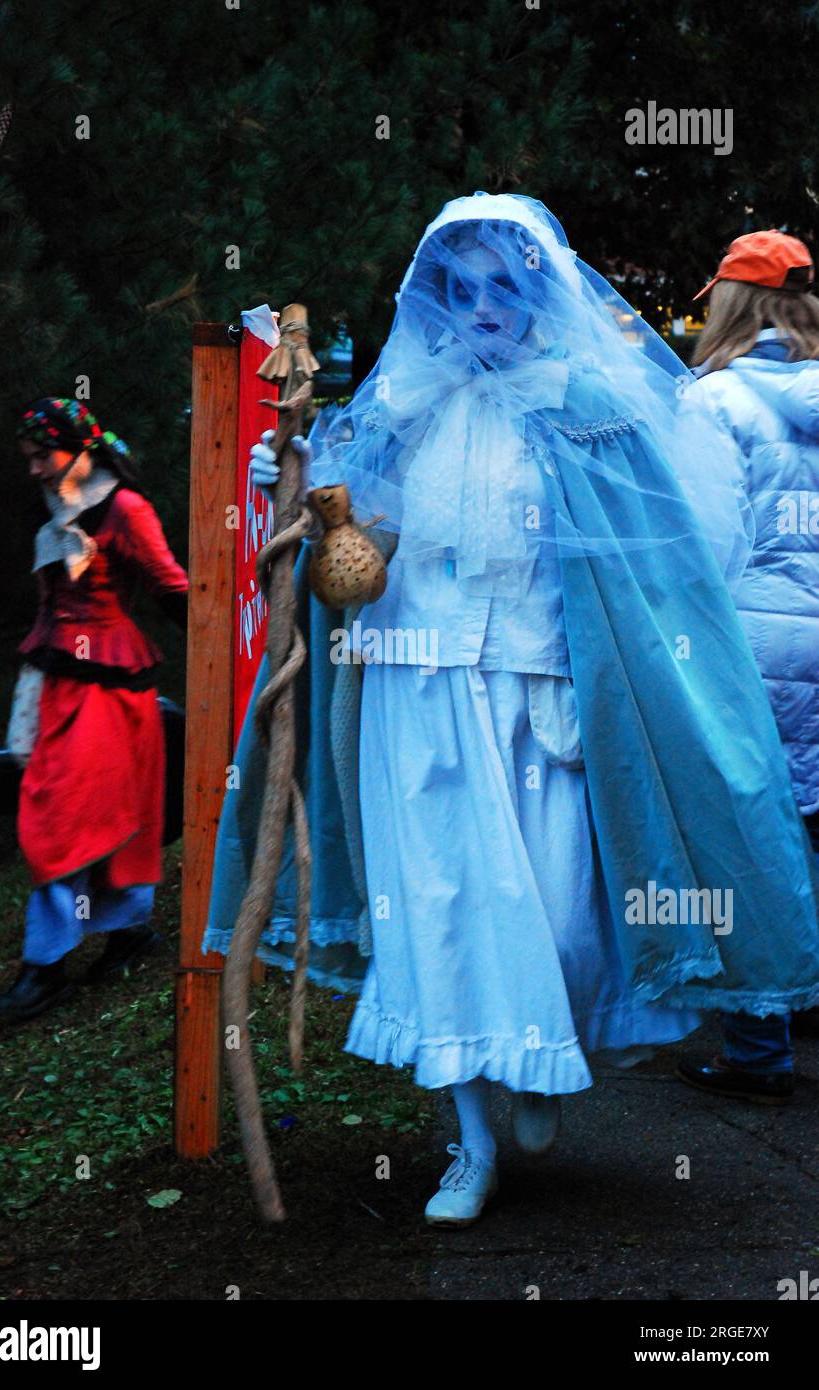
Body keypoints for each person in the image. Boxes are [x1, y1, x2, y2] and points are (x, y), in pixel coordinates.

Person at [204, 193, 819, 1227]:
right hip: (418, 684)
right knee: (437, 912)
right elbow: (357, 543)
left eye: (505, 283)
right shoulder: (406, 403)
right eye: (462, 285)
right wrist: (301, 487)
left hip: (539, 689)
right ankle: (469, 1140)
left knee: (562, 918)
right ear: (438, 293)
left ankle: (533, 1063)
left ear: (539, 287)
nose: (483, 306)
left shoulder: (591, 404)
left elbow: (671, 550)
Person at [675, 231, 819, 1103]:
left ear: (732, 303)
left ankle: (759, 1049)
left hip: (754, 650)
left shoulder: (714, 402)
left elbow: (699, 550)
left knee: (757, 840)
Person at [0, 397, 188, 1024]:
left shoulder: (125, 508)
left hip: (110, 689)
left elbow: (170, 584)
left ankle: (45, 965)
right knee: (65, 811)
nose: (34, 471)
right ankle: (126, 932)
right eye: (26, 459)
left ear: (79, 447)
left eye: (40, 456)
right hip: (56, 683)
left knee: (67, 816)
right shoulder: (55, 506)